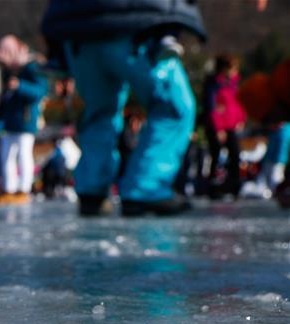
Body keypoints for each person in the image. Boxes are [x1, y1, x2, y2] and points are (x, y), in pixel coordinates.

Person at [42, 0, 205, 216]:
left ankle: (92, 189)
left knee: (99, 111)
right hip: (139, 25)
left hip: (79, 29)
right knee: (172, 107)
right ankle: (147, 188)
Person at [0, 35, 47, 206]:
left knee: (24, 154)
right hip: (11, 123)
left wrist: (20, 86)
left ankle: (23, 189)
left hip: (26, 121)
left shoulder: (32, 67)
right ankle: (9, 189)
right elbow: (5, 101)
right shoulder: (9, 72)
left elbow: (40, 91)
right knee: (6, 155)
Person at [203, 54, 246, 199]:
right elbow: (212, 107)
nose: (235, 71)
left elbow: (238, 103)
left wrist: (241, 119)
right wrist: (218, 128)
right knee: (216, 155)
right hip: (218, 126)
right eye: (232, 68)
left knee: (235, 155)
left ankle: (234, 185)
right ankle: (213, 187)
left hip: (232, 125)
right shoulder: (214, 84)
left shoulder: (234, 84)